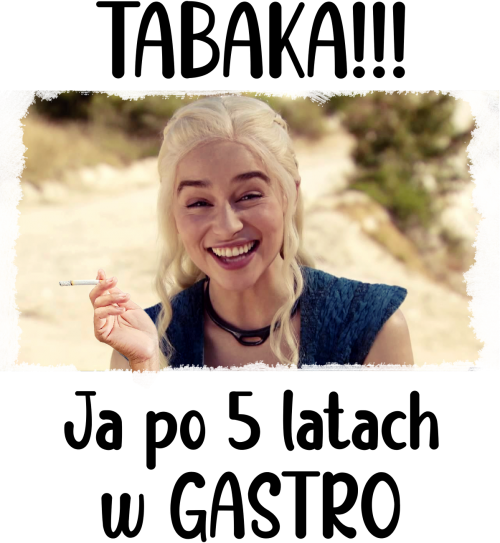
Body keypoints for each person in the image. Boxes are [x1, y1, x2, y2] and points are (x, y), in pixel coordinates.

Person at [90, 94, 414, 386]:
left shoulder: (371, 328)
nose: (227, 226)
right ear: (174, 215)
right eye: (199, 203)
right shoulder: (141, 344)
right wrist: (146, 369)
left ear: (289, 196)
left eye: (249, 196)